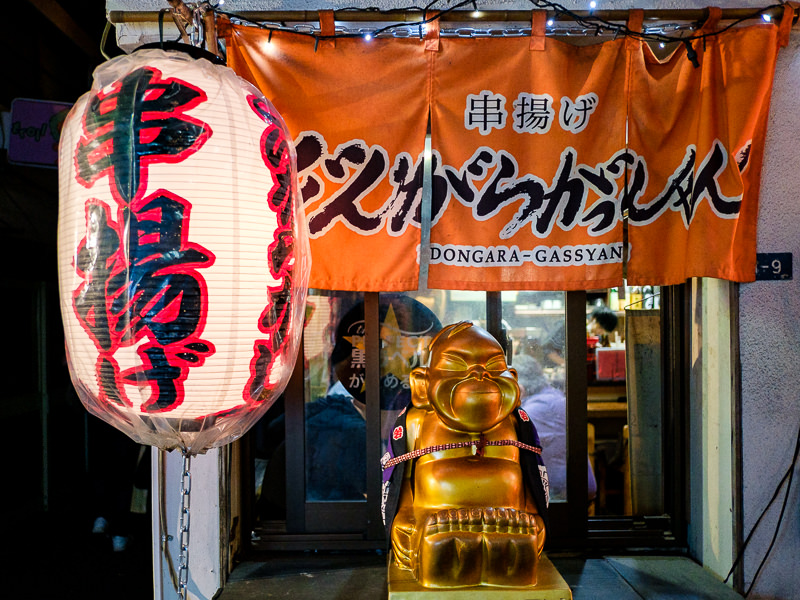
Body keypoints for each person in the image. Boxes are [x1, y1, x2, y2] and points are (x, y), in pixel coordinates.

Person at [513, 353, 596, 503]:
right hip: (580, 488)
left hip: (559, 497)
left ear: (520, 388)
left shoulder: (532, 412)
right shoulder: (556, 397)